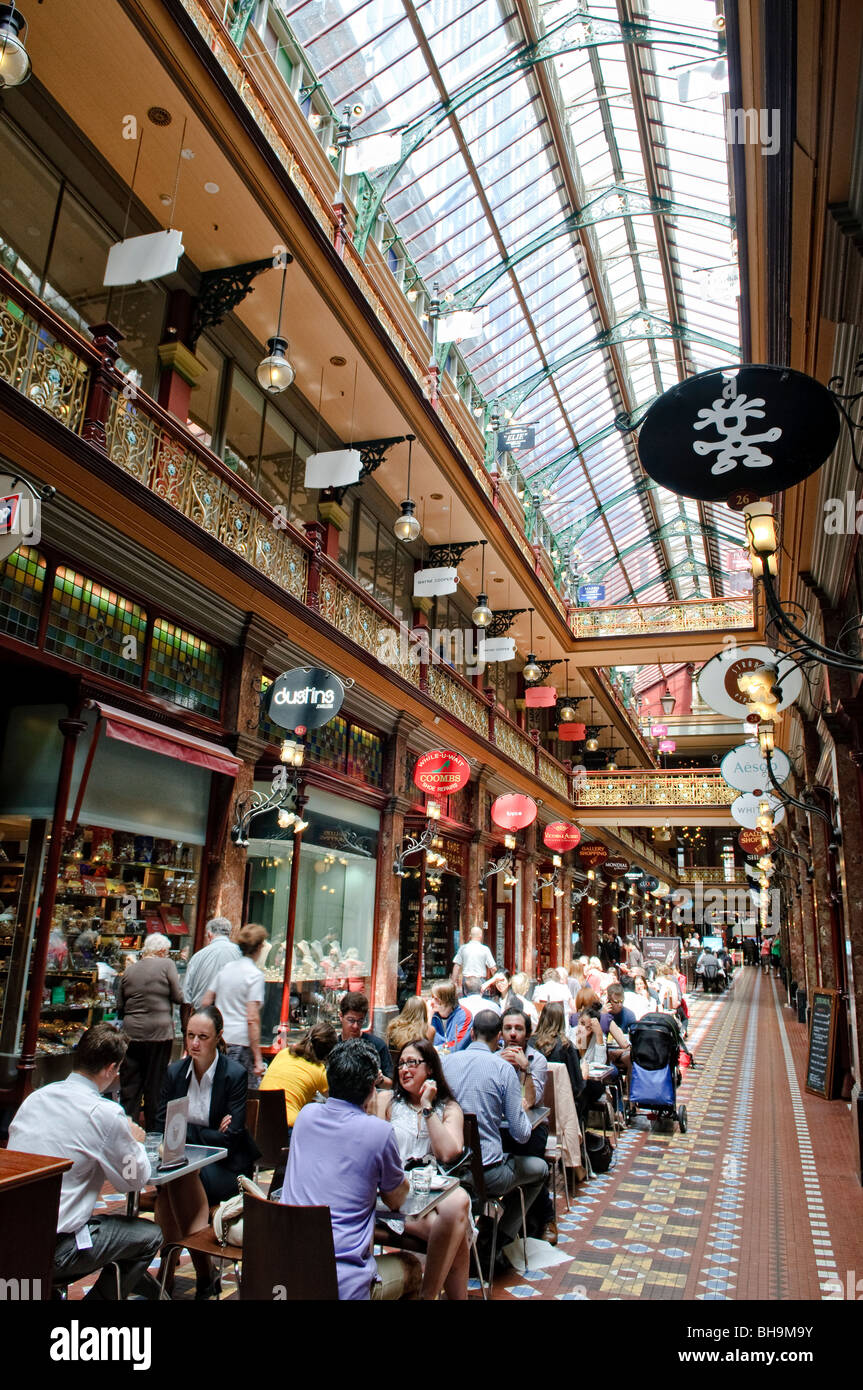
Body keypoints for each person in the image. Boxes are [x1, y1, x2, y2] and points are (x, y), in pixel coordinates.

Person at [8, 1024, 162, 1299]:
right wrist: (135, 1140)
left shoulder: (36, 1098)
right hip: (55, 1249)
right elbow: (133, 1180)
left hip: (10, 1238)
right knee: (149, 1237)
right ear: (111, 1069)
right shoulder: (104, 1113)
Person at [282, 1039, 412, 1300]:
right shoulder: (379, 1132)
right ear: (370, 1088)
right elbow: (396, 1199)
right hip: (343, 1282)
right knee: (414, 1269)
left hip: (285, 1269)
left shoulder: (306, 1116)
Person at [155, 1006, 261, 1298]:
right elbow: (161, 1124)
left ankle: (171, 1268)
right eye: (190, 1036)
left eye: (203, 1036)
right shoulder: (175, 1072)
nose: (194, 1044)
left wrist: (187, 1129)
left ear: (218, 1038)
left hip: (226, 1167)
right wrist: (212, 1130)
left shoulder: (234, 1074)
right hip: (186, 1162)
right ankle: (204, 1274)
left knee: (174, 1182)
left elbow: (233, 1136)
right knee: (176, 1179)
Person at [443, 1011, 547, 1273]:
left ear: (471, 1033)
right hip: (487, 1174)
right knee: (540, 1170)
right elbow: (522, 1134)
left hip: (447, 1171)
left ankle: (486, 1232)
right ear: (499, 1037)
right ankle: (498, 1239)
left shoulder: (447, 1063)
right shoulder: (502, 1069)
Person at [375, 1039, 471, 1300]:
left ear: (430, 1069)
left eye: (412, 1063)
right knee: (456, 1223)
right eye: (401, 1064)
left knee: (456, 1206)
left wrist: (428, 1108)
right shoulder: (386, 1101)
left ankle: (427, 1296)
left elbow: (448, 1153)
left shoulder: (448, 1108)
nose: (404, 1069)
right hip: (392, 1195)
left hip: (431, 1198)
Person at [117, 931, 183, 1130]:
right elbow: (178, 996)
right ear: (162, 950)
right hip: (158, 1034)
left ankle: (127, 1128)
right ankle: (154, 1132)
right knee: (155, 1084)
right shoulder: (167, 965)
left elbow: (120, 1004)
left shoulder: (130, 969)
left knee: (130, 1085)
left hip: (131, 1034)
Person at [499, 1006, 552, 1239]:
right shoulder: (494, 1058)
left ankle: (547, 1218)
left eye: (518, 1029)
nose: (512, 1034)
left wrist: (525, 1068)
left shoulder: (536, 1059)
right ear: (500, 1033)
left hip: (533, 1127)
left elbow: (530, 1101)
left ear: (527, 1034)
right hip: (500, 1128)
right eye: (508, 1028)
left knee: (530, 1153)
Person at [203, 923, 267, 1088]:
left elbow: (206, 1002)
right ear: (259, 947)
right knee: (242, 1094)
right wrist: (258, 1059)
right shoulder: (254, 975)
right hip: (241, 1043)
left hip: (221, 1040)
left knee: (218, 1089)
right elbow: (252, 1017)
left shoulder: (227, 969)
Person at [260, 1021, 336, 1125]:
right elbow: (337, 1102)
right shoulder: (319, 1071)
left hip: (260, 1123)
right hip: (288, 1127)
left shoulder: (284, 1053)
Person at [182, 915, 238, 1021]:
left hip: (202, 1017)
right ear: (229, 933)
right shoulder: (239, 954)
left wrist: (185, 1028)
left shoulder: (198, 957)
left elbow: (186, 996)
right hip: (231, 1019)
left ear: (209, 934)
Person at [533, 1001, 584, 1102]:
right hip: (561, 1102)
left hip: (535, 1099)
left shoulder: (530, 1043)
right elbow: (576, 1086)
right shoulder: (566, 1046)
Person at [339, 990, 393, 1083]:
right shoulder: (332, 1044)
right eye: (351, 1020)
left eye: (360, 1021)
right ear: (340, 1016)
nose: (355, 1026)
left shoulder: (378, 1045)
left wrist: (380, 1080)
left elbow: (390, 1083)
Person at [600, 983, 636, 1080]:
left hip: (622, 1051)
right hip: (604, 1052)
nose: (620, 1005)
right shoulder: (601, 1015)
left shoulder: (629, 1015)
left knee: (631, 1059)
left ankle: (630, 1091)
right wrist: (603, 1016)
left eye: (622, 1001)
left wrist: (621, 1051)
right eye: (616, 1002)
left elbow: (635, 1044)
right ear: (608, 1000)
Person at [427, 978, 472, 1052]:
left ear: (447, 1000)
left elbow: (457, 1046)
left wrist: (435, 1049)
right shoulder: (431, 1013)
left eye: (436, 999)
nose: (431, 1002)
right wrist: (429, 1017)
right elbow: (423, 1041)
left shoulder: (464, 1015)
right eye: (432, 997)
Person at [452, 924, 497, 990]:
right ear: (481, 936)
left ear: (470, 935)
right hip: (480, 980)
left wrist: (453, 982)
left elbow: (456, 966)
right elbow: (493, 968)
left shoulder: (463, 948)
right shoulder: (485, 949)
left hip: (467, 980)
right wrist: (496, 982)